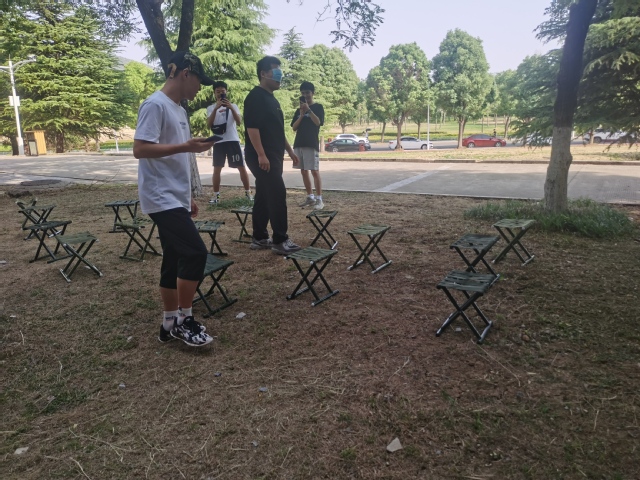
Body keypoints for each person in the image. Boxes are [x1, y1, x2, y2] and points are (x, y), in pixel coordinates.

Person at [133, 50, 216, 347]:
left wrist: (187, 196)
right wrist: (185, 147)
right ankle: (184, 320)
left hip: (174, 196)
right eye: (199, 81)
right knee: (195, 253)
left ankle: (169, 322)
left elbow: (177, 157)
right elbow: (140, 149)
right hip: (159, 196)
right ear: (185, 74)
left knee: (173, 257)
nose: (200, 87)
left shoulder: (179, 110)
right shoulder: (155, 105)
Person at [243, 55, 302, 255]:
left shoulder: (272, 99)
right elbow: (252, 128)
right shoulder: (255, 97)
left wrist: (290, 151)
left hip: (273, 156)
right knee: (277, 193)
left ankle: (259, 237)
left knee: (264, 194)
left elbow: (277, 130)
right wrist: (261, 154)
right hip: (262, 157)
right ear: (263, 73)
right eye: (275, 71)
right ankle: (280, 240)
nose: (279, 75)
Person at [206, 81, 253, 205]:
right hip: (218, 141)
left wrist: (231, 107)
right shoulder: (211, 108)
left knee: (241, 167)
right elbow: (209, 124)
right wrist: (216, 108)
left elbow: (239, 122)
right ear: (214, 93)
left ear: (226, 92)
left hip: (232, 140)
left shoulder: (234, 106)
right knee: (217, 168)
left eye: (222, 91)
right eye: (218, 91)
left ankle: (248, 193)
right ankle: (216, 195)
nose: (220, 93)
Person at [291, 81, 325, 210]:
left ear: (313, 93)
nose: (305, 95)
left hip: (311, 143)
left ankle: (319, 199)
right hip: (299, 142)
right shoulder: (298, 110)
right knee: (303, 171)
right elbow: (294, 127)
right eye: (303, 93)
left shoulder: (318, 107)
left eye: (307, 93)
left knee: (314, 171)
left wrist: (308, 110)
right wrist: (301, 115)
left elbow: (318, 122)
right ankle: (310, 197)